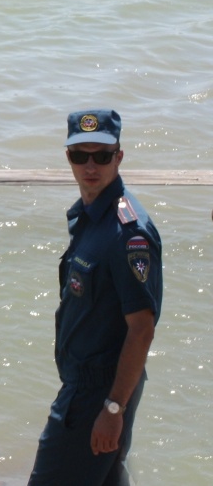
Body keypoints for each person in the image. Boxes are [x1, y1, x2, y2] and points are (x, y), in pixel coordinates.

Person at [28, 109, 163, 485]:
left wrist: (113, 408)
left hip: (97, 394)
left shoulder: (128, 234)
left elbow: (141, 330)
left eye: (102, 156)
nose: (91, 166)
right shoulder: (90, 217)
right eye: (80, 155)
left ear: (119, 156)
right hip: (91, 387)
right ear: (67, 158)